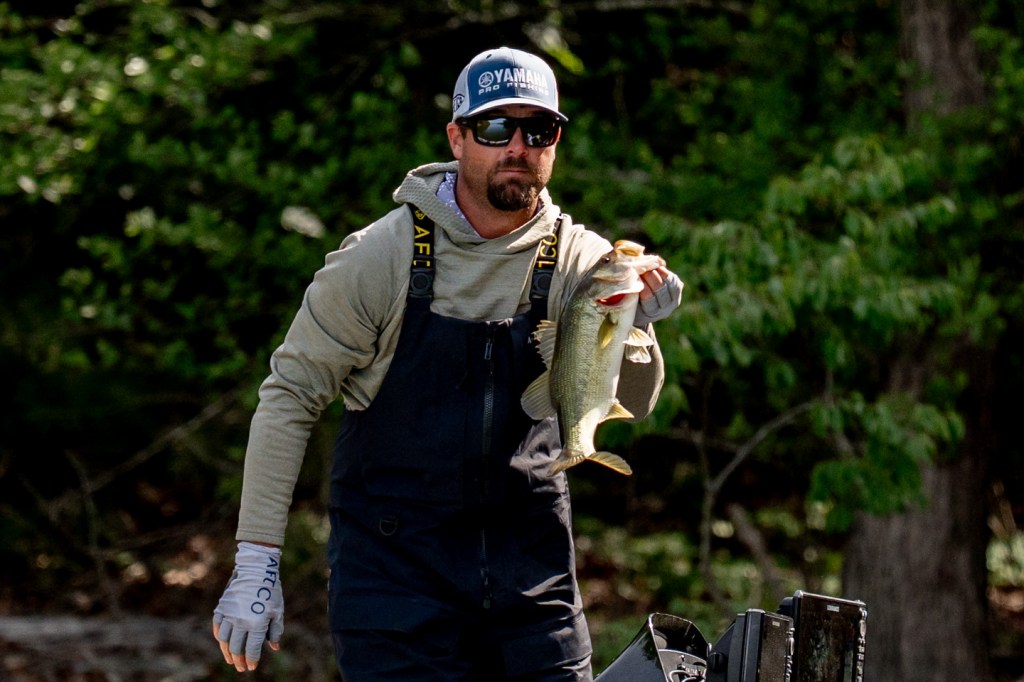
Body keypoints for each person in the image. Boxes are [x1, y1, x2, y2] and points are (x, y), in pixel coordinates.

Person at [211, 46, 683, 681]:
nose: (516, 147)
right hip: (394, 587)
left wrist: (639, 324)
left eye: (538, 130)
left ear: (555, 143)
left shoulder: (585, 261)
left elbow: (639, 402)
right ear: (457, 138)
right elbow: (290, 396)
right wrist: (256, 562)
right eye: (495, 128)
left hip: (533, 583)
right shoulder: (378, 259)